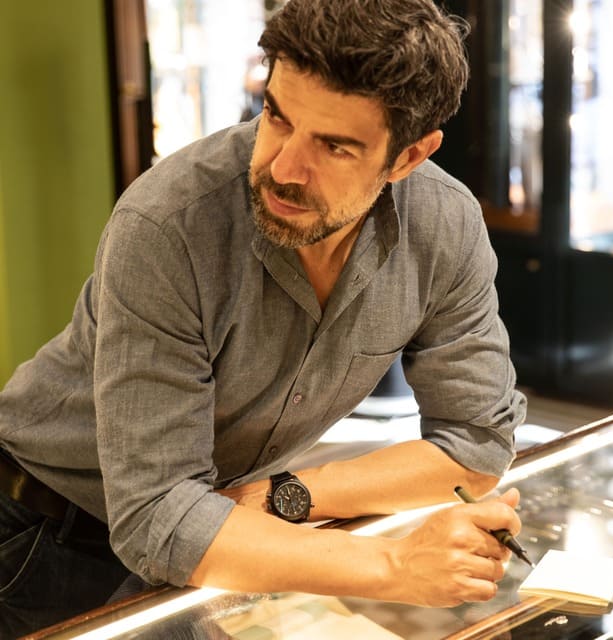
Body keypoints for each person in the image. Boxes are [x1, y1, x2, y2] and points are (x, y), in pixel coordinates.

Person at [0, 0, 527, 637]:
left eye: (334, 146)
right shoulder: (169, 225)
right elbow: (157, 517)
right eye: (277, 116)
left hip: (218, 525)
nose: (282, 169)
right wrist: (392, 564)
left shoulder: (444, 225)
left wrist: (289, 493)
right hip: (38, 529)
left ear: (408, 157)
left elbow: (476, 441)